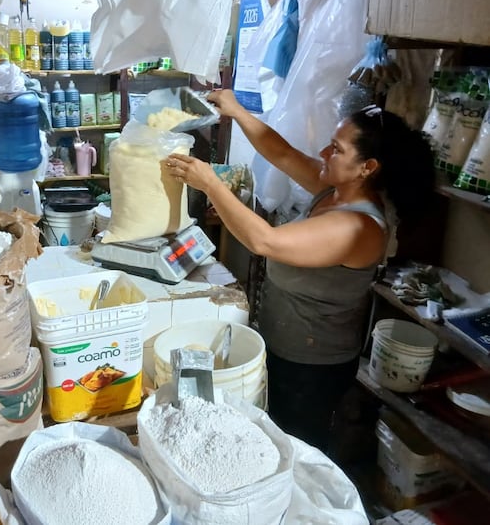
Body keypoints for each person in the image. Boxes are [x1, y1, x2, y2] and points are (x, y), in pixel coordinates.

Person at [165, 88, 435, 451]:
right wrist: (237, 111)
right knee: (272, 435)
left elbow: (265, 242)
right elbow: (283, 153)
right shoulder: (334, 190)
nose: (324, 153)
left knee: (297, 449)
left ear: (367, 167)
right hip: (283, 342)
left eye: (337, 149)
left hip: (311, 366)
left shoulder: (359, 227)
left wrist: (211, 183)